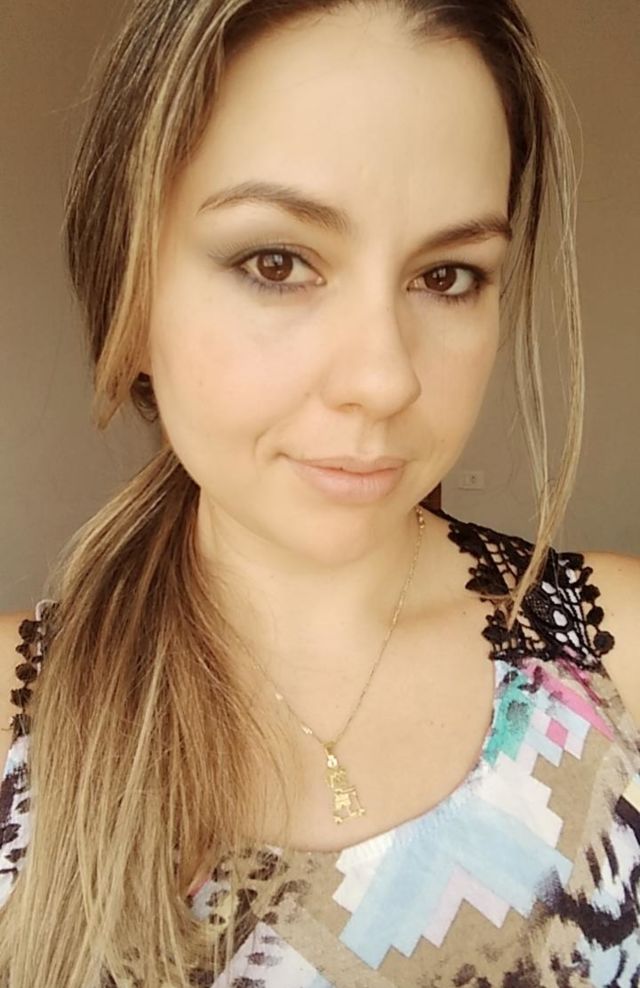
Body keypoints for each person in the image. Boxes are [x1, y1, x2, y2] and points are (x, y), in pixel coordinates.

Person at [0, 0, 638, 984]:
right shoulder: (16, 718)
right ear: (130, 290)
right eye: (277, 262)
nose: (384, 379)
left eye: (448, 275)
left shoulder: (619, 657)